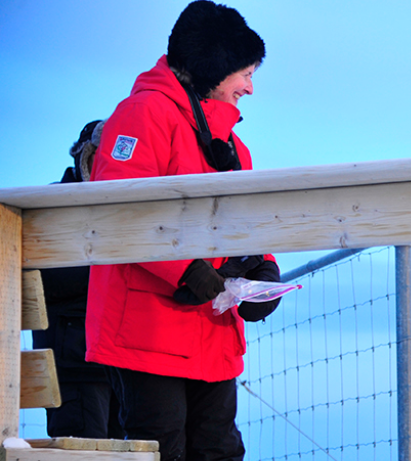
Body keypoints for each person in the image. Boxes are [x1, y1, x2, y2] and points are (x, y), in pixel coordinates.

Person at [85, 2, 281, 460]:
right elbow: (117, 209)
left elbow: (247, 220)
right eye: (245, 73)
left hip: (211, 328)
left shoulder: (234, 144)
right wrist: (184, 270)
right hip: (146, 332)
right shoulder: (142, 114)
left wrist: (263, 270)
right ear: (214, 65)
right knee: (159, 450)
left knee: (219, 450)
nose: (250, 88)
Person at [31, 121, 125, 440]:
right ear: (84, 157)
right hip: (74, 360)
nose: (110, 164)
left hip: (114, 361)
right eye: (101, 155)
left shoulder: (122, 210)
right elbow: (49, 278)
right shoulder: (51, 207)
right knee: (83, 447)